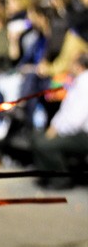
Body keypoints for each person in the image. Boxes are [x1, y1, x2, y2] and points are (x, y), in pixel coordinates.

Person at [31, 52, 88, 189]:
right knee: (36, 137)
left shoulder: (85, 84)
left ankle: (61, 180)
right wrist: (54, 127)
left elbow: (76, 120)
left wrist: (56, 131)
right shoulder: (78, 81)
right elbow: (65, 112)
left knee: (45, 144)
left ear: (78, 66)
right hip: (71, 131)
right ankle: (48, 176)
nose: (68, 66)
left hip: (82, 135)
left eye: (71, 63)